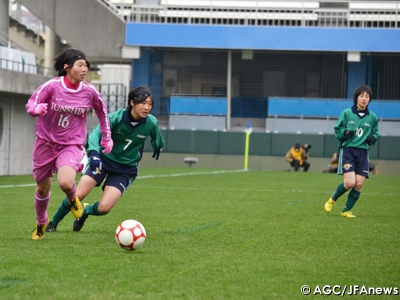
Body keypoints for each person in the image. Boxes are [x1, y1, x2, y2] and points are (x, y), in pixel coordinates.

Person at [45, 86, 164, 233]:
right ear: (132, 103)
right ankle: (53, 223)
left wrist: (158, 145)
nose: (147, 107)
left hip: (125, 169)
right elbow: (96, 133)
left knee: (104, 208)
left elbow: (157, 138)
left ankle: (85, 212)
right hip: (103, 160)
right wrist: (94, 153)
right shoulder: (116, 118)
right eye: (143, 103)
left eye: (150, 104)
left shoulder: (151, 122)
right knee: (78, 195)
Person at [26, 48, 113, 240]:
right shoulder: (51, 86)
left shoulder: (89, 91)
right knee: (43, 187)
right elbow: (31, 103)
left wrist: (106, 137)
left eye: (86, 66)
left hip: (71, 144)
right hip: (45, 143)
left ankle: (73, 199)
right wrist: (36, 109)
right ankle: (41, 222)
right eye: (80, 65)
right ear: (67, 67)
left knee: (66, 182)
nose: (84, 69)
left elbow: (102, 112)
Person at [324, 85, 379, 217]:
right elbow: (337, 131)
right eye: (361, 96)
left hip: (363, 153)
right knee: (349, 183)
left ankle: (346, 211)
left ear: (370, 99)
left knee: (358, 184)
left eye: (367, 96)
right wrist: (345, 132)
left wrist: (373, 137)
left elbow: (375, 133)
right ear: (356, 98)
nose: (364, 99)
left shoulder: (372, 117)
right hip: (348, 151)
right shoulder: (346, 113)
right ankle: (332, 199)